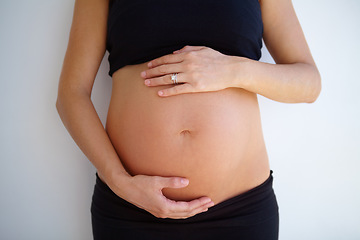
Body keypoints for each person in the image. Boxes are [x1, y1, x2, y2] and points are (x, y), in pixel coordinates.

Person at [56, 0, 321, 239]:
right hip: (131, 207)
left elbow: (309, 83)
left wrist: (234, 70)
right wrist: (120, 182)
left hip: (239, 213)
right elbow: (71, 94)